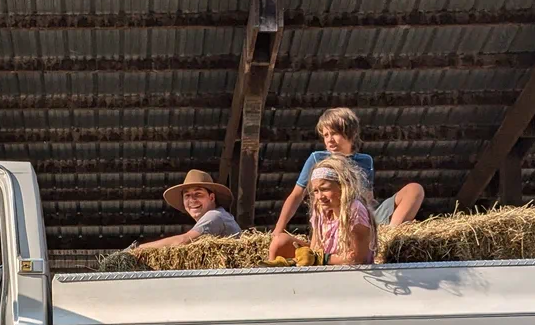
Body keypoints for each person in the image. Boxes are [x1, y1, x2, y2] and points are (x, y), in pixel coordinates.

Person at [269, 107, 423, 260]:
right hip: (330, 219)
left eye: (334, 133)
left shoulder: (365, 161)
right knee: (281, 242)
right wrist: (278, 229)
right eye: (325, 135)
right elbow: (296, 196)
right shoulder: (318, 159)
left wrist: (372, 222)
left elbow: (369, 198)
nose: (329, 139)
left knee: (414, 189)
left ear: (351, 133)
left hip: (362, 217)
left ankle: (390, 236)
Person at [275, 154, 378, 266]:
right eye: (315, 191)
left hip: (352, 273)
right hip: (326, 270)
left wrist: (322, 259)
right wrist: (297, 260)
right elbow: (315, 248)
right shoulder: (321, 209)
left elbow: (358, 258)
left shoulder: (355, 210)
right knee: (280, 241)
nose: (319, 196)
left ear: (342, 187)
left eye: (324, 189)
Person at [134, 169, 241, 251]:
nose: (192, 200)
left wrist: (137, 249)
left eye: (198, 194)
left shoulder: (215, 216)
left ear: (212, 198)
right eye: (187, 195)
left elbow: (183, 241)